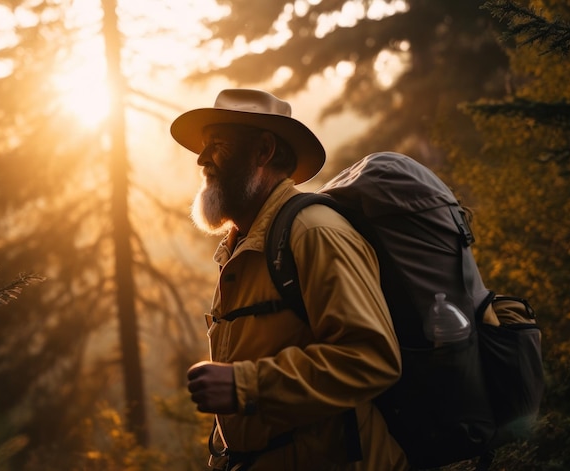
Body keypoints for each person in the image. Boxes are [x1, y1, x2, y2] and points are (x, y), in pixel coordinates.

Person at [170, 89, 409, 471]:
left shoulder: (314, 233)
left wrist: (243, 385)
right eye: (204, 146)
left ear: (263, 151)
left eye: (218, 144)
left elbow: (373, 358)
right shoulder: (245, 244)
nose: (201, 159)